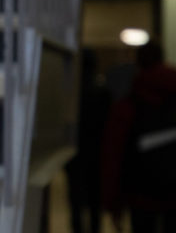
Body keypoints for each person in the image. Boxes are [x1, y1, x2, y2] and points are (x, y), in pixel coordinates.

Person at [100, 42, 176, 233]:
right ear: (163, 60)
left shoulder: (127, 108)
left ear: (138, 64)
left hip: (140, 198)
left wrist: (114, 204)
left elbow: (113, 157)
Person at [65, 49, 111, 233]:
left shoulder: (71, 93)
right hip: (96, 154)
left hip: (76, 154)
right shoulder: (101, 92)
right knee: (94, 203)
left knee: (76, 203)